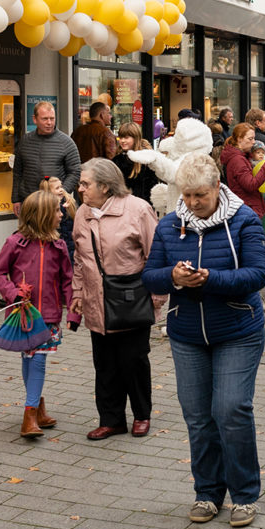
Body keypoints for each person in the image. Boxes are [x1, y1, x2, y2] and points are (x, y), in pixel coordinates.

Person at [143, 154, 265, 528]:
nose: (193, 202)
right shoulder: (169, 225)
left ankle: (244, 494)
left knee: (230, 409)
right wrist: (173, 276)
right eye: (187, 195)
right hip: (186, 333)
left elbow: (258, 274)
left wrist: (210, 279)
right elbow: (149, 277)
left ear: (217, 187)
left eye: (200, 194)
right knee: (198, 417)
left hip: (238, 330)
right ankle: (208, 492)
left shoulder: (244, 219)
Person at [72, 158, 162, 440]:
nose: (80, 189)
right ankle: (111, 420)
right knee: (105, 364)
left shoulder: (137, 210)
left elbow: (156, 255)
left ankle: (141, 414)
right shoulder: (82, 213)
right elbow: (79, 258)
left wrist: (156, 299)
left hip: (131, 297)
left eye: (85, 183)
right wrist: (77, 293)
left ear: (105, 185)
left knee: (133, 360)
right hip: (97, 300)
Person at [0, 189, 75, 438]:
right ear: (42, 215)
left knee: (36, 360)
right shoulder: (15, 243)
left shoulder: (59, 246)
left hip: (48, 316)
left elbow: (67, 281)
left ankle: (31, 413)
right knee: (29, 359)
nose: (62, 215)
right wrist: (12, 292)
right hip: (23, 315)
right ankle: (35, 408)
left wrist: (73, 313)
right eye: (57, 210)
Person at [12, 102, 81, 217]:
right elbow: (17, 172)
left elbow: (75, 172)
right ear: (35, 119)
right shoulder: (25, 142)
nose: (49, 123)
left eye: (52, 118)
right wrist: (15, 199)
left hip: (55, 205)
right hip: (29, 203)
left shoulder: (67, 142)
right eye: (45, 119)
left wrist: (61, 192)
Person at [219, 123, 265, 219]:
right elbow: (250, 185)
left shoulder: (242, 157)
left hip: (248, 208)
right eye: (250, 139)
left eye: (253, 138)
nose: (253, 142)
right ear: (239, 139)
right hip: (248, 210)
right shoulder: (238, 160)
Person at [114, 123, 159, 204]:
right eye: (120, 137)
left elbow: (152, 186)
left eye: (126, 137)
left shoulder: (146, 159)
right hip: (122, 205)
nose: (122, 140)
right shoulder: (117, 160)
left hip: (143, 205)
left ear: (135, 138)